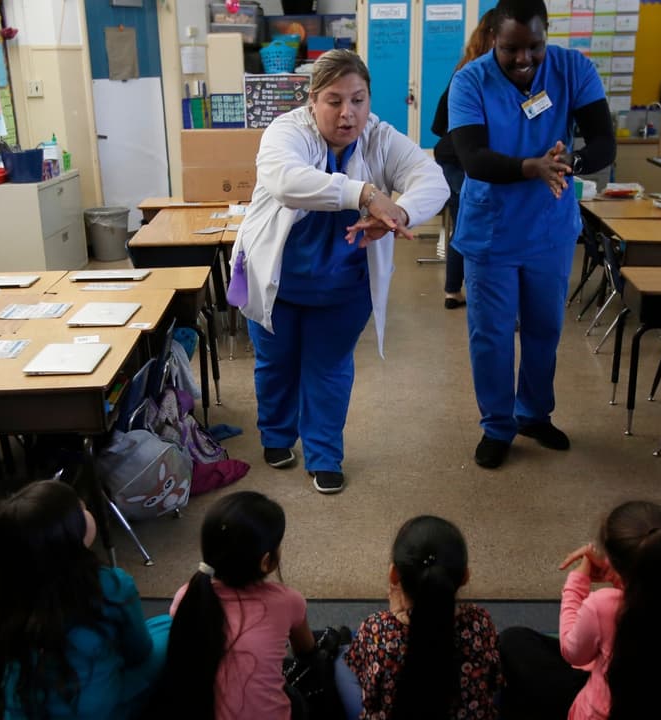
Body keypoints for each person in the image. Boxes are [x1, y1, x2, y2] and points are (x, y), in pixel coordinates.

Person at [230, 49, 449, 493]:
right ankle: (276, 435)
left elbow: (433, 180)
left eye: (358, 100)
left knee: (328, 370)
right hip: (277, 282)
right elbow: (286, 182)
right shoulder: (287, 131)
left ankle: (325, 455)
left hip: (342, 287)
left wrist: (400, 213)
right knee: (276, 365)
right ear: (312, 100)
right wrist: (365, 194)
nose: (348, 113)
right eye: (334, 101)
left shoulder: (380, 138)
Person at [448, 0, 615, 468]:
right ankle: (497, 425)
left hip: (548, 229)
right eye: (511, 49)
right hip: (492, 232)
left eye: (534, 46)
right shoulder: (470, 81)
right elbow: (473, 159)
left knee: (544, 329)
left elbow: (603, 142)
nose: (524, 59)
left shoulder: (572, 69)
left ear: (547, 36)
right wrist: (532, 167)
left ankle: (534, 414)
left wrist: (569, 162)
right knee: (492, 336)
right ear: (493, 40)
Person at [498, 501, 661, 719]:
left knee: (513, 640)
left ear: (613, 562)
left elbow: (573, 653)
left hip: (604, 713)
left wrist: (578, 581)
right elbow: (652, 603)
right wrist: (623, 580)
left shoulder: (602, 606)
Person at [0, 480, 170, 719]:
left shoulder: (9, 594)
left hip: (24, 710)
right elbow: (140, 652)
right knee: (170, 626)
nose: (86, 509)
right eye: (80, 510)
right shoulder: (112, 584)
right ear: (68, 536)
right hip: (96, 710)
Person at [148, 491, 316, 719]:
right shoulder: (288, 601)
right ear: (266, 562)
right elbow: (306, 649)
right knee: (304, 685)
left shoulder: (187, 596)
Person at [337, 515, 503, 719]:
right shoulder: (481, 622)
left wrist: (394, 619)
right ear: (465, 576)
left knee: (342, 659)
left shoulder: (376, 630)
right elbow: (494, 680)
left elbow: (372, 697)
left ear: (393, 575)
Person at [431, 10, 496, 310]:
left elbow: (438, 124)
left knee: (465, 221)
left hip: (457, 155)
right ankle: (459, 290)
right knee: (471, 221)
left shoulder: (465, 66)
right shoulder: (476, 74)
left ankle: (453, 290)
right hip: (459, 160)